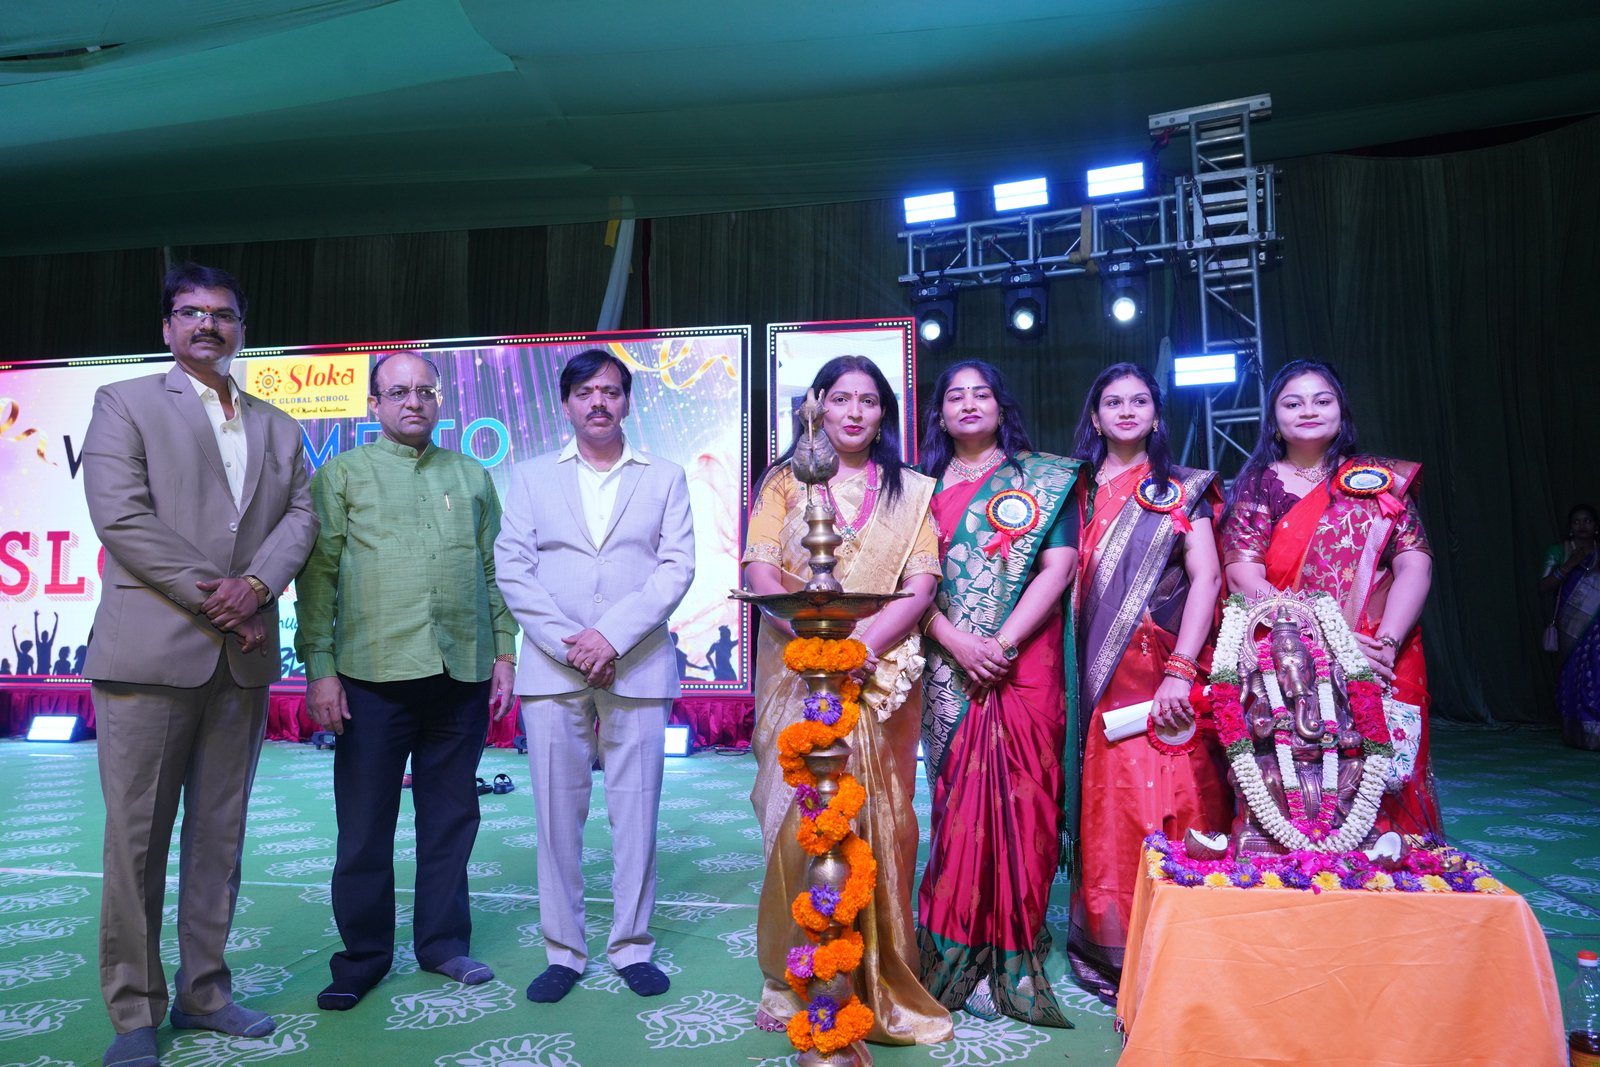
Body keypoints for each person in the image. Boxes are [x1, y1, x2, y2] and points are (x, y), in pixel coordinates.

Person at [81, 263, 318, 1067]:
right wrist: (220, 595)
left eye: (222, 314)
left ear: (242, 328)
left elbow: (300, 516)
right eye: (190, 312)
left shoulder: (278, 425)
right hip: (149, 657)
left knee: (220, 836)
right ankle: (133, 1011)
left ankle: (205, 992)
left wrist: (257, 586)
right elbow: (121, 516)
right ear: (167, 327)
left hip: (241, 658)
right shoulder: (125, 403)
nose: (207, 325)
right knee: (137, 843)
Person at [294, 352, 517, 1010]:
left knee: (451, 818)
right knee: (365, 827)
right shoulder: (342, 474)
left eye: (424, 391)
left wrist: (505, 652)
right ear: (374, 404)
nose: (412, 402)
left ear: (439, 400)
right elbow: (318, 579)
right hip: (371, 677)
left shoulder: (471, 475)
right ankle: (363, 958)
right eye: (397, 392)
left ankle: (443, 944)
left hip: (461, 672)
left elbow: (495, 570)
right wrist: (320, 669)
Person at [743, 354, 953, 1045]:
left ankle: (875, 972)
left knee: (883, 819)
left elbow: (921, 584)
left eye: (868, 400)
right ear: (818, 406)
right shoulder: (782, 481)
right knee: (795, 816)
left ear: (883, 413)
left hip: (878, 672)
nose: (854, 412)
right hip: (795, 669)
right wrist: (818, 644)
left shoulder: (910, 490)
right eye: (841, 398)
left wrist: (859, 645)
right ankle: (791, 976)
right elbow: (761, 572)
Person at [494, 349, 695, 1004]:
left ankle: (632, 945)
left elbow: (677, 566)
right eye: (585, 392)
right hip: (553, 668)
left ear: (627, 401)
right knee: (556, 815)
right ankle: (564, 951)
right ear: (567, 404)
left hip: (637, 663)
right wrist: (573, 644)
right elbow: (513, 569)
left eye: (610, 391)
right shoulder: (530, 478)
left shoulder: (665, 477)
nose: (598, 402)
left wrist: (611, 636)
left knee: (636, 812)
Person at [913, 360, 1081, 1026]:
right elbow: (906, 582)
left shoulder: (1039, 478)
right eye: (955, 395)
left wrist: (1001, 644)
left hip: (1023, 662)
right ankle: (956, 945)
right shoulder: (917, 488)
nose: (968, 403)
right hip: (948, 662)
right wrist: (958, 642)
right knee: (956, 804)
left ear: (1000, 406)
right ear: (940, 413)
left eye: (981, 393)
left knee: (1023, 804)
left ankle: (1010, 946)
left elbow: (1059, 566)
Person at [1220, 359, 1442, 838]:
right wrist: (1325, 638)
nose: (1308, 411)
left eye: (1322, 400)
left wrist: (1385, 643)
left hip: (1379, 652)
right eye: (1292, 403)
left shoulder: (1378, 482)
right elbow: (1242, 577)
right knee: (1293, 788)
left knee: (1384, 790)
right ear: (1273, 419)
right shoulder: (1257, 485)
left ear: (1342, 412)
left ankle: (1392, 875)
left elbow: (1415, 564)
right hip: (1288, 655)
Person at [1066, 363, 1230, 989]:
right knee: (1108, 802)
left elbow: (1207, 578)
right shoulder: (1071, 490)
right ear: (1096, 416)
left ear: (1157, 415)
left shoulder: (1183, 488)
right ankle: (1112, 942)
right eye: (1113, 402)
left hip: (1158, 667)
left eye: (1139, 401)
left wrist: (1181, 672)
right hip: (1089, 671)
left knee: (1171, 796)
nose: (1127, 411)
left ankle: (1182, 941)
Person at [1542, 504, 1600, 750]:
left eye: (1587, 521)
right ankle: (1577, 733)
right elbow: (1544, 586)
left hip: (1597, 624)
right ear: (1569, 527)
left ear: (1596, 526)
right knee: (1573, 673)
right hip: (1570, 625)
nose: (1582, 525)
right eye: (1577, 521)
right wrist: (1571, 563)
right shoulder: (1558, 551)